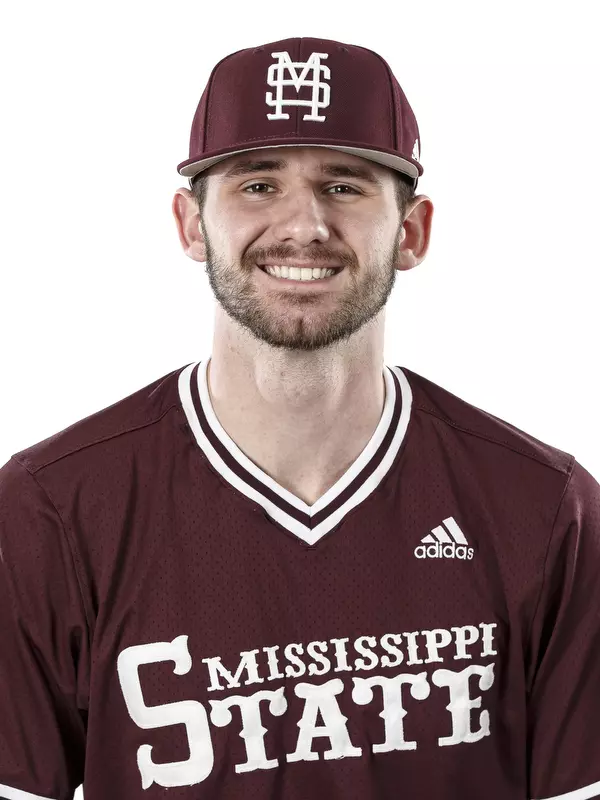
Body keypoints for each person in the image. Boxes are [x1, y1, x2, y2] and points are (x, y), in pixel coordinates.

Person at [0, 35, 598, 800]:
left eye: (344, 186)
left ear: (410, 232)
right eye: (257, 185)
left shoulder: (544, 509)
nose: (303, 224)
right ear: (191, 224)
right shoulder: (55, 507)